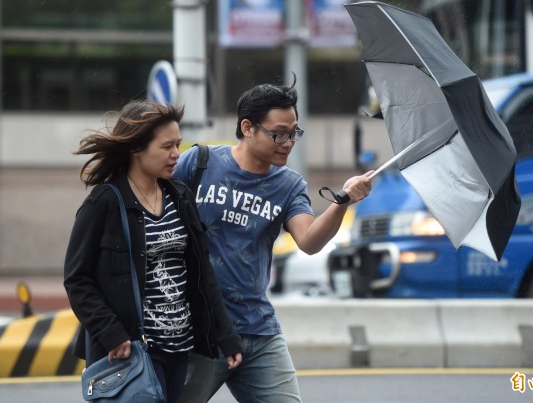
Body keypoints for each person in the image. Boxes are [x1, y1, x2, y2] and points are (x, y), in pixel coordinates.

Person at [174, 77, 373, 402]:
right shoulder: (199, 163)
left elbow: (309, 240)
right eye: (279, 133)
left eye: (294, 132)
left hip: (258, 329)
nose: (288, 141)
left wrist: (343, 202)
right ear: (247, 127)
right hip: (201, 329)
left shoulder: (288, 184)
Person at [64, 100, 243, 403]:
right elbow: (77, 278)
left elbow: (202, 273)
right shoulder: (105, 203)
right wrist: (112, 333)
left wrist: (226, 336)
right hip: (133, 351)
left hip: (180, 346)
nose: (176, 154)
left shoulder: (180, 196)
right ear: (137, 148)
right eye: (167, 146)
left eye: (178, 144)